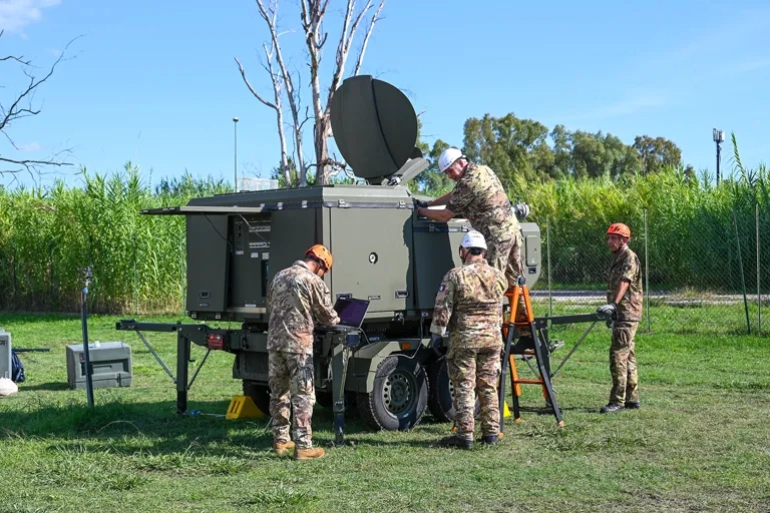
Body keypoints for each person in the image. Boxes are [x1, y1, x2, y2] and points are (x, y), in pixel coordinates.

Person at [429, 230, 508, 449]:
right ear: (483, 252)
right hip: (492, 340)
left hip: (465, 340)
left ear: (463, 251)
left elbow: (443, 307)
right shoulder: (499, 276)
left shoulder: (456, 275)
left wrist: (437, 333)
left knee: (465, 386)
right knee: (489, 385)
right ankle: (491, 432)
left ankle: (465, 435)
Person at [266, 244, 340, 459]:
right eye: (324, 271)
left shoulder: (279, 276)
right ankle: (304, 446)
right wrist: (337, 319)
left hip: (275, 344)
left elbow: (271, 304)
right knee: (303, 395)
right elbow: (326, 315)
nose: (323, 275)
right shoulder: (311, 280)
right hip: (298, 346)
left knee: (279, 393)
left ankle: (280, 440)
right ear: (320, 265)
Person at [413, 147, 524, 291]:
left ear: (460, 163)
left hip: (496, 238)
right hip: (513, 232)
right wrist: (429, 204)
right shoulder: (483, 170)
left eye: (450, 171)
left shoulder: (468, 182)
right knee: (515, 282)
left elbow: (445, 216)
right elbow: (455, 194)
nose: (449, 176)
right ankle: (521, 313)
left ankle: (491, 314)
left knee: (490, 284)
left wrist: (420, 211)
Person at [596, 223, 643, 414]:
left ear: (624, 240)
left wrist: (614, 304)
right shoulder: (618, 257)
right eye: (608, 238)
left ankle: (617, 400)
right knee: (628, 354)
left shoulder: (628, 258)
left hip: (626, 312)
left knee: (618, 355)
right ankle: (632, 397)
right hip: (621, 313)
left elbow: (625, 281)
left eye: (613, 238)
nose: (609, 242)